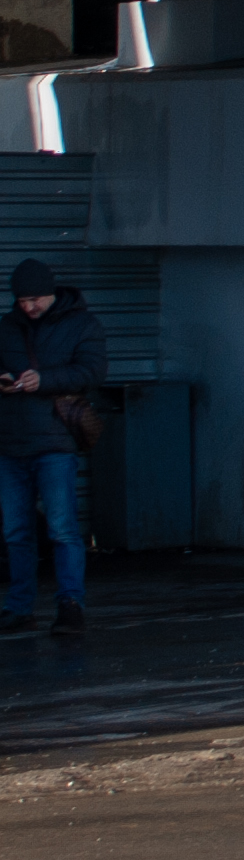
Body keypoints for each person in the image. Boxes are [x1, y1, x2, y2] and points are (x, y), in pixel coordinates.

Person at [0, 259, 99, 638]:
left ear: (51, 293)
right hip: (10, 443)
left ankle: (70, 605)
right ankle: (19, 607)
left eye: (35, 299)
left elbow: (92, 372)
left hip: (55, 442)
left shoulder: (82, 325)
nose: (28, 307)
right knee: (16, 532)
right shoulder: (8, 328)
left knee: (62, 529)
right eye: (22, 300)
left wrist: (44, 380)